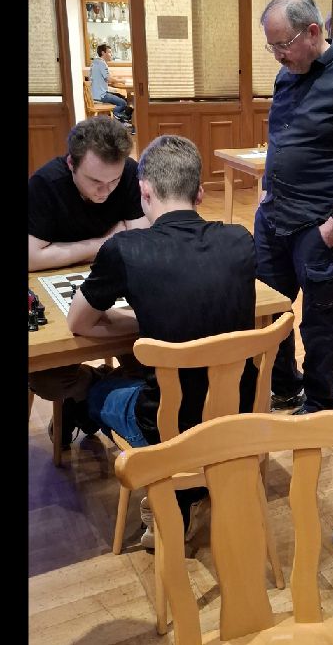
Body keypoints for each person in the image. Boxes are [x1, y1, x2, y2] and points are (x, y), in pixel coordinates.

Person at [67, 134, 259, 546]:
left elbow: (78, 323)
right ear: (200, 193)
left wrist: (138, 324)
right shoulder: (240, 240)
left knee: (96, 390)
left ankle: (171, 496)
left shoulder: (126, 249)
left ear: (144, 192)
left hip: (164, 425)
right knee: (167, 381)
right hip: (236, 416)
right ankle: (194, 491)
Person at [256, 0, 333, 416]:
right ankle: (284, 386)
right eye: (271, 46)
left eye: (283, 44)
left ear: (312, 31)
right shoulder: (286, 74)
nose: (277, 55)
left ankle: (322, 401)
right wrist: (267, 189)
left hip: (318, 222)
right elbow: (281, 137)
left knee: (320, 318)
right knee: (270, 310)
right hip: (274, 215)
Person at [28, 115, 150, 447]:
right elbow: (32, 257)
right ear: (71, 163)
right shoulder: (46, 184)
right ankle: (93, 394)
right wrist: (105, 243)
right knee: (45, 377)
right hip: (51, 292)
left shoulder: (128, 172)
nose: (105, 191)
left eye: (114, 181)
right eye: (95, 181)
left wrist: (61, 251)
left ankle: (86, 403)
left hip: (108, 288)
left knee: (151, 361)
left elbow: (140, 236)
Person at [90, 43, 133, 125]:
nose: (111, 54)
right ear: (103, 53)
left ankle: (122, 120)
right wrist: (121, 81)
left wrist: (116, 80)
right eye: (109, 52)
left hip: (96, 93)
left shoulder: (95, 62)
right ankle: (115, 117)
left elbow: (107, 77)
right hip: (101, 95)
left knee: (121, 97)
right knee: (123, 103)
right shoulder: (101, 63)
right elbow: (109, 79)